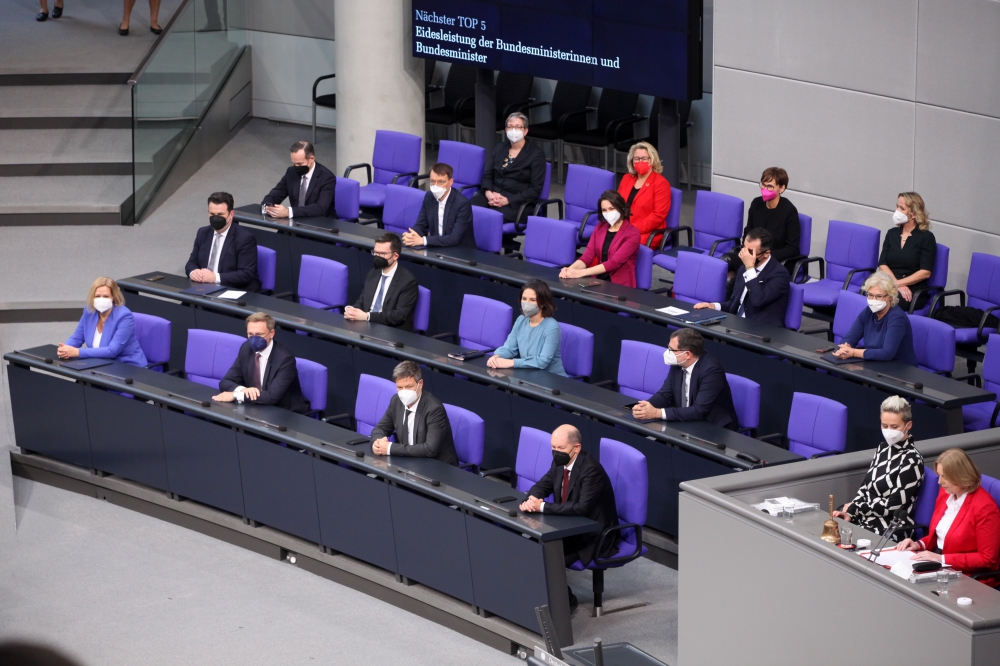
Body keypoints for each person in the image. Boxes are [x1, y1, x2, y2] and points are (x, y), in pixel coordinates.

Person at [519, 424, 620, 611]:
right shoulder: (559, 463)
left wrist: (541, 506)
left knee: (549, 559)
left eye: (561, 449)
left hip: (593, 535)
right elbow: (543, 484)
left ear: (576, 448)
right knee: (532, 551)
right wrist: (532, 498)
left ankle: (566, 602)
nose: (556, 453)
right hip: (568, 527)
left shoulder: (591, 471)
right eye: (553, 448)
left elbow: (582, 508)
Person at [897, 448, 1000, 586]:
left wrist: (941, 558)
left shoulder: (984, 508)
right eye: (939, 475)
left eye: (944, 476)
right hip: (939, 565)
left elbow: (987, 559)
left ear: (961, 476)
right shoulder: (946, 494)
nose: (939, 481)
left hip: (966, 576)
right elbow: (941, 535)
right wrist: (918, 544)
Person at [833, 396, 924, 537]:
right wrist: (850, 512)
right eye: (884, 426)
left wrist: (857, 506)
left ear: (908, 425)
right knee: (836, 526)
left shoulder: (912, 459)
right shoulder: (883, 448)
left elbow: (893, 507)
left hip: (892, 525)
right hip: (868, 515)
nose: (889, 431)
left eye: (894, 427)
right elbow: (865, 487)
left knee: (852, 540)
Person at [631, 328, 738, 429]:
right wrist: (645, 407)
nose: (668, 353)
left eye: (671, 350)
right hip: (686, 420)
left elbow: (699, 410)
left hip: (712, 426)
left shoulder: (711, 371)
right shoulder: (678, 363)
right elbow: (665, 394)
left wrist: (657, 413)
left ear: (687, 354)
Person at [213, 312, 310, 414]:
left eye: (259, 334)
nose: (254, 339)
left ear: (271, 333)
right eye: (250, 334)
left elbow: (272, 397)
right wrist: (243, 390)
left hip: (283, 412)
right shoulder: (246, 349)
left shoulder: (285, 359)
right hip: (255, 406)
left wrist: (236, 394)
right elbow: (225, 382)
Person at [693, 228, 791, 327]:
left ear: (766, 254)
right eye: (743, 249)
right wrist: (713, 306)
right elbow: (734, 303)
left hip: (760, 330)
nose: (744, 255)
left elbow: (758, 300)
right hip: (736, 324)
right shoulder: (743, 269)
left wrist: (750, 268)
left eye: (750, 252)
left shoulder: (779, 275)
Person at [370, 361, 459, 465]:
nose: (404, 392)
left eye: (409, 387)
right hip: (409, 462)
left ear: (420, 384)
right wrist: (378, 443)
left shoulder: (434, 409)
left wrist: (389, 448)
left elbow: (430, 449)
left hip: (436, 466)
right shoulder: (396, 401)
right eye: (400, 387)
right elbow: (380, 429)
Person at [470, 112, 546, 223]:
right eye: (510, 127)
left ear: (525, 131)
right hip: (493, 195)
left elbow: (535, 190)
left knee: (488, 218)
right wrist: (488, 193)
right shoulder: (500, 148)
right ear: (506, 130)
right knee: (467, 210)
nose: (513, 130)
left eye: (518, 127)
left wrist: (507, 200)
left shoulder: (536, 154)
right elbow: (488, 175)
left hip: (516, 202)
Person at [725, 167, 801, 276]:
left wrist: (764, 256)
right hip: (752, 255)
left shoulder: (789, 211)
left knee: (736, 276)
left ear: (782, 188)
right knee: (725, 261)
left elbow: (792, 249)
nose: (765, 189)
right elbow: (748, 232)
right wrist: (746, 250)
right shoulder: (756, 204)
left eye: (770, 186)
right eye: (763, 185)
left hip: (773, 260)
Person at [58, 277, 147, 367]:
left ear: (113, 297)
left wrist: (77, 352)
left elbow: (112, 351)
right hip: (101, 363)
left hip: (127, 366)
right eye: (97, 296)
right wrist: (65, 349)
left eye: (106, 296)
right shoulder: (89, 311)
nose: (101, 300)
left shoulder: (124, 316)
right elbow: (77, 338)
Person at [559, 191, 641, 287]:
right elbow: (587, 256)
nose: (608, 213)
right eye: (604, 210)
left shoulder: (633, 234)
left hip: (619, 284)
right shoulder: (600, 227)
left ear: (621, 208)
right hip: (599, 279)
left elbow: (614, 263)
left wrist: (579, 273)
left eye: (611, 209)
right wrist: (569, 270)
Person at [834, 271, 917, 364]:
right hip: (875, 362)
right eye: (870, 295)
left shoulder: (897, 318)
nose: (873, 300)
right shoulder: (868, 311)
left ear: (890, 297)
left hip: (898, 368)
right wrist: (846, 347)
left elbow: (887, 353)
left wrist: (853, 352)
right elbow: (850, 336)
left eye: (878, 296)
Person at [487, 280, 567, 376]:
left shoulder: (552, 327)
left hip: (552, 379)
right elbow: (510, 348)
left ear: (542, 303)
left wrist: (511, 362)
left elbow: (542, 362)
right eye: (524, 299)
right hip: (529, 375)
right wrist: (496, 357)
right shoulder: (521, 320)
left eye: (532, 300)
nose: (526, 303)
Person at [185, 191, 261, 292]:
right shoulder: (203, 233)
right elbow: (191, 262)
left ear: (231, 214)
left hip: (232, 290)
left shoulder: (244, 238)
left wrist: (215, 278)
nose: (216, 218)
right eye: (212, 214)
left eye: (220, 214)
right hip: (204, 289)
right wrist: (193, 272)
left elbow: (246, 274)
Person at [343, 232, 419, 331]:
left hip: (391, 330)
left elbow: (398, 316)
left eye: (382, 253)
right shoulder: (373, 273)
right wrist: (352, 311)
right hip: (366, 325)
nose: (377, 257)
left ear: (395, 256)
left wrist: (367, 316)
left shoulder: (408, 281)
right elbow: (362, 301)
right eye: (375, 252)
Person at [877, 192, 937, 310]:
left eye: (902, 208)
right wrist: (895, 284)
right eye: (897, 206)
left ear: (913, 214)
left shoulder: (926, 237)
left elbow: (925, 272)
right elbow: (882, 263)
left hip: (912, 290)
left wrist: (899, 284)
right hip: (890, 282)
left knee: (883, 300)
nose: (897, 211)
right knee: (868, 293)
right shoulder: (892, 233)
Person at [402, 162, 475, 249]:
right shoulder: (429, 197)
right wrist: (412, 235)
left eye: (441, 182)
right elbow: (421, 225)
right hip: (437, 246)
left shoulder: (462, 204)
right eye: (432, 181)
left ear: (450, 181)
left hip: (459, 250)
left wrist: (423, 240)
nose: (436, 186)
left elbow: (454, 238)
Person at [261, 141, 337, 219]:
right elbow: (275, 194)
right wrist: (268, 205)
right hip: (296, 220)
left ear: (311, 159)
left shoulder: (327, 177)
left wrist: (288, 212)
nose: (296, 167)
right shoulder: (291, 172)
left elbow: (320, 208)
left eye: (299, 164)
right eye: (294, 164)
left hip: (320, 222)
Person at [616, 142, 672, 246]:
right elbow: (617, 204)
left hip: (647, 232)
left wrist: (631, 229)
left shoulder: (661, 183)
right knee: (601, 236)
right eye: (637, 158)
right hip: (623, 227)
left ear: (652, 160)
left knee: (618, 243)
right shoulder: (627, 178)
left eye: (644, 158)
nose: (640, 161)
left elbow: (658, 216)